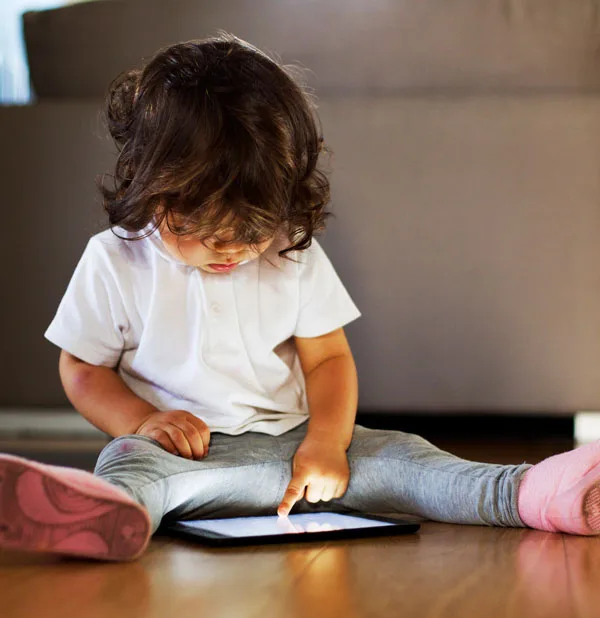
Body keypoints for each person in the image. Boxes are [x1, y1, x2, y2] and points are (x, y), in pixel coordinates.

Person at [1, 35, 599, 562]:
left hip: (299, 451)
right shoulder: (114, 259)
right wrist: (142, 421)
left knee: (405, 458)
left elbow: (328, 360)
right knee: (128, 468)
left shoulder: (290, 250)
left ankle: (540, 492)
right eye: (207, 237)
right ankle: (96, 515)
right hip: (183, 460)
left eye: (253, 232)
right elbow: (81, 367)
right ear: (152, 192)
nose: (233, 253)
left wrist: (325, 442)